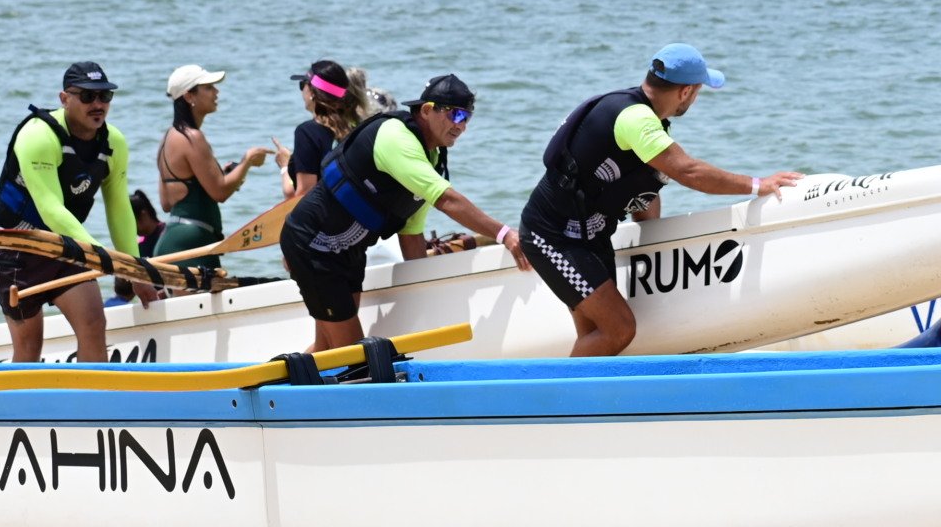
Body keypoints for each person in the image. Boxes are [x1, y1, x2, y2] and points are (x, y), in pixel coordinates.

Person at [519, 44, 804, 358]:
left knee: (595, 333)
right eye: (698, 92)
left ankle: (585, 403)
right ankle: (557, 401)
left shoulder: (645, 119)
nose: (695, 99)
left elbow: (639, 192)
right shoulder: (635, 119)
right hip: (552, 235)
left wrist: (655, 238)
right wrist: (758, 185)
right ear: (685, 92)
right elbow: (689, 171)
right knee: (619, 329)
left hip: (590, 234)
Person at [279, 73, 531, 352]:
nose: (462, 126)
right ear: (427, 110)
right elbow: (446, 200)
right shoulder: (395, 137)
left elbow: (411, 233)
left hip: (347, 251)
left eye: (467, 118)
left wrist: (425, 299)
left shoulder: (431, 158)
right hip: (314, 243)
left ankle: (276, 389)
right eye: (456, 115)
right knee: (350, 357)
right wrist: (505, 234)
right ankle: (260, 391)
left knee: (327, 349)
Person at [0, 62, 157, 362]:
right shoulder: (38, 136)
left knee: (93, 323)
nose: (98, 104)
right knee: (29, 345)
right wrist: (101, 255)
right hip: (13, 245)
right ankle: (22, 407)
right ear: (64, 98)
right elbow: (51, 209)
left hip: (66, 245)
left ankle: (93, 404)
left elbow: (119, 209)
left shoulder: (113, 142)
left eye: (105, 96)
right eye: (87, 97)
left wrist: (135, 269)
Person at [154, 64, 271, 269]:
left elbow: (166, 203)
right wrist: (247, 162)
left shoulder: (168, 139)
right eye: (208, 87)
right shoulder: (193, 138)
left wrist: (225, 175)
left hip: (171, 240)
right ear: (189, 96)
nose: (216, 92)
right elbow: (220, 192)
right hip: (193, 245)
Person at [274, 60, 363, 199]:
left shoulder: (307, 133)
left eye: (302, 85)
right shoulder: (356, 128)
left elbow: (303, 196)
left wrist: (285, 167)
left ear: (312, 92)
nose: (302, 90)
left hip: (325, 218)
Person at [110, 189, 165, 305]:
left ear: (143, 214)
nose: (129, 228)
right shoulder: (138, 247)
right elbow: (125, 291)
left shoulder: (166, 236)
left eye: (130, 222)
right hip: (153, 303)